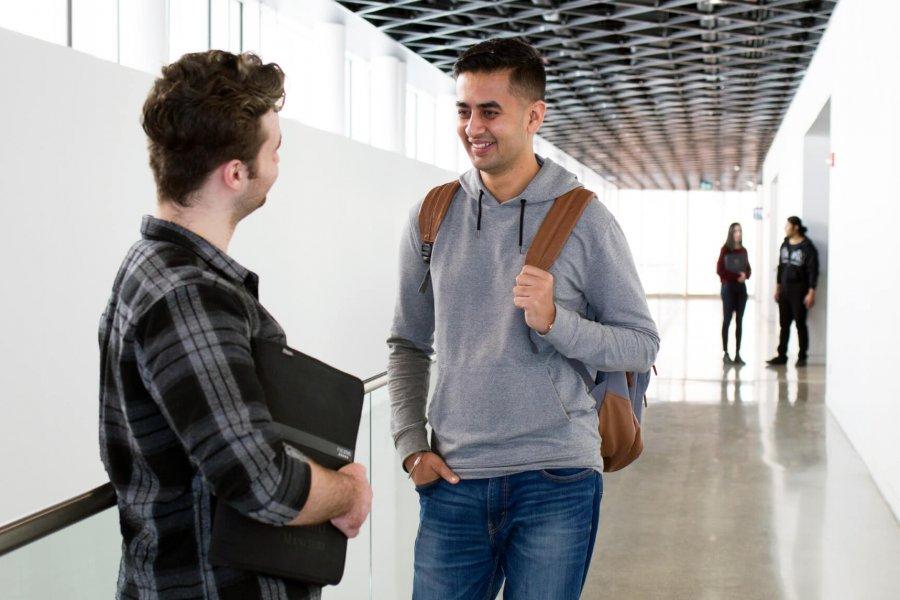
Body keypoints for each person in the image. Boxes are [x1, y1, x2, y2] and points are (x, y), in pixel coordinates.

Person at [387, 38, 659, 600]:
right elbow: (408, 343)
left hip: (556, 477)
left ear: (535, 116)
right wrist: (412, 446)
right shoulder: (432, 215)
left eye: (490, 111)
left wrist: (557, 321)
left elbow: (641, 344)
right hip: (453, 479)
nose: (473, 128)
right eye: (463, 110)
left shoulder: (585, 219)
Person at [98, 50, 372, 600]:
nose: (278, 164)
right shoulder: (189, 297)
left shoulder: (150, 264)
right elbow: (261, 482)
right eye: (274, 150)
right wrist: (348, 492)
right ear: (236, 173)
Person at [766, 216, 820, 367]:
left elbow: (813, 270)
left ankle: (802, 356)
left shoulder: (807, 247)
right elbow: (780, 267)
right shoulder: (785, 244)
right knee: (784, 324)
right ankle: (781, 355)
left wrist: (811, 291)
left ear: (796, 227)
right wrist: (777, 287)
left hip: (799, 290)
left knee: (800, 324)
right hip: (784, 289)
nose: (785, 228)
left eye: (787, 226)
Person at [717, 222, 751, 365]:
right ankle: (725, 353)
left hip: (741, 290)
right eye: (736, 231)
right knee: (727, 320)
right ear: (731, 233)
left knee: (739, 321)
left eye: (740, 231)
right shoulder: (725, 250)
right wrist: (736, 276)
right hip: (728, 289)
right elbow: (720, 270)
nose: (738, 233)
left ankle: (737, 353)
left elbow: (748, 269)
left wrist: (745, 275)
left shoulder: (743, 250)